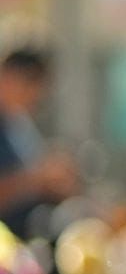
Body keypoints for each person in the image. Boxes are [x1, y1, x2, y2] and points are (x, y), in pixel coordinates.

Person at [0, 48, 77, 238]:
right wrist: (35, 180)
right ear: (7, 77)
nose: (36, 95)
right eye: (29, 83)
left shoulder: (18, 123)